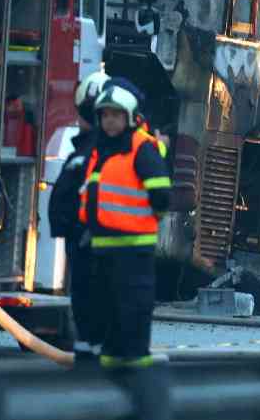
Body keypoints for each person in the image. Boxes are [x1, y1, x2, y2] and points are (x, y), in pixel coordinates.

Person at [79, 79, 171, 369]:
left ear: (130, 117)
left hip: (134, 247)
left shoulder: (140, 147)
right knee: (107, 307)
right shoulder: (101, 149)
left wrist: (148, 220)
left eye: (116, 115)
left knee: (134, 305)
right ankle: (111, 362)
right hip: (103, 247)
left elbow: (160, 192)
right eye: (105, 115)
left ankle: (135, 365)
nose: (109, 121)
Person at [48, 70, 109, 363]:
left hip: (94, 248)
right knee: (85, 314)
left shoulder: (101, 153)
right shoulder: (89, 151)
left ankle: (92, 370)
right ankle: (87, 367)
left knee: (93, 313)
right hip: (84, 245)